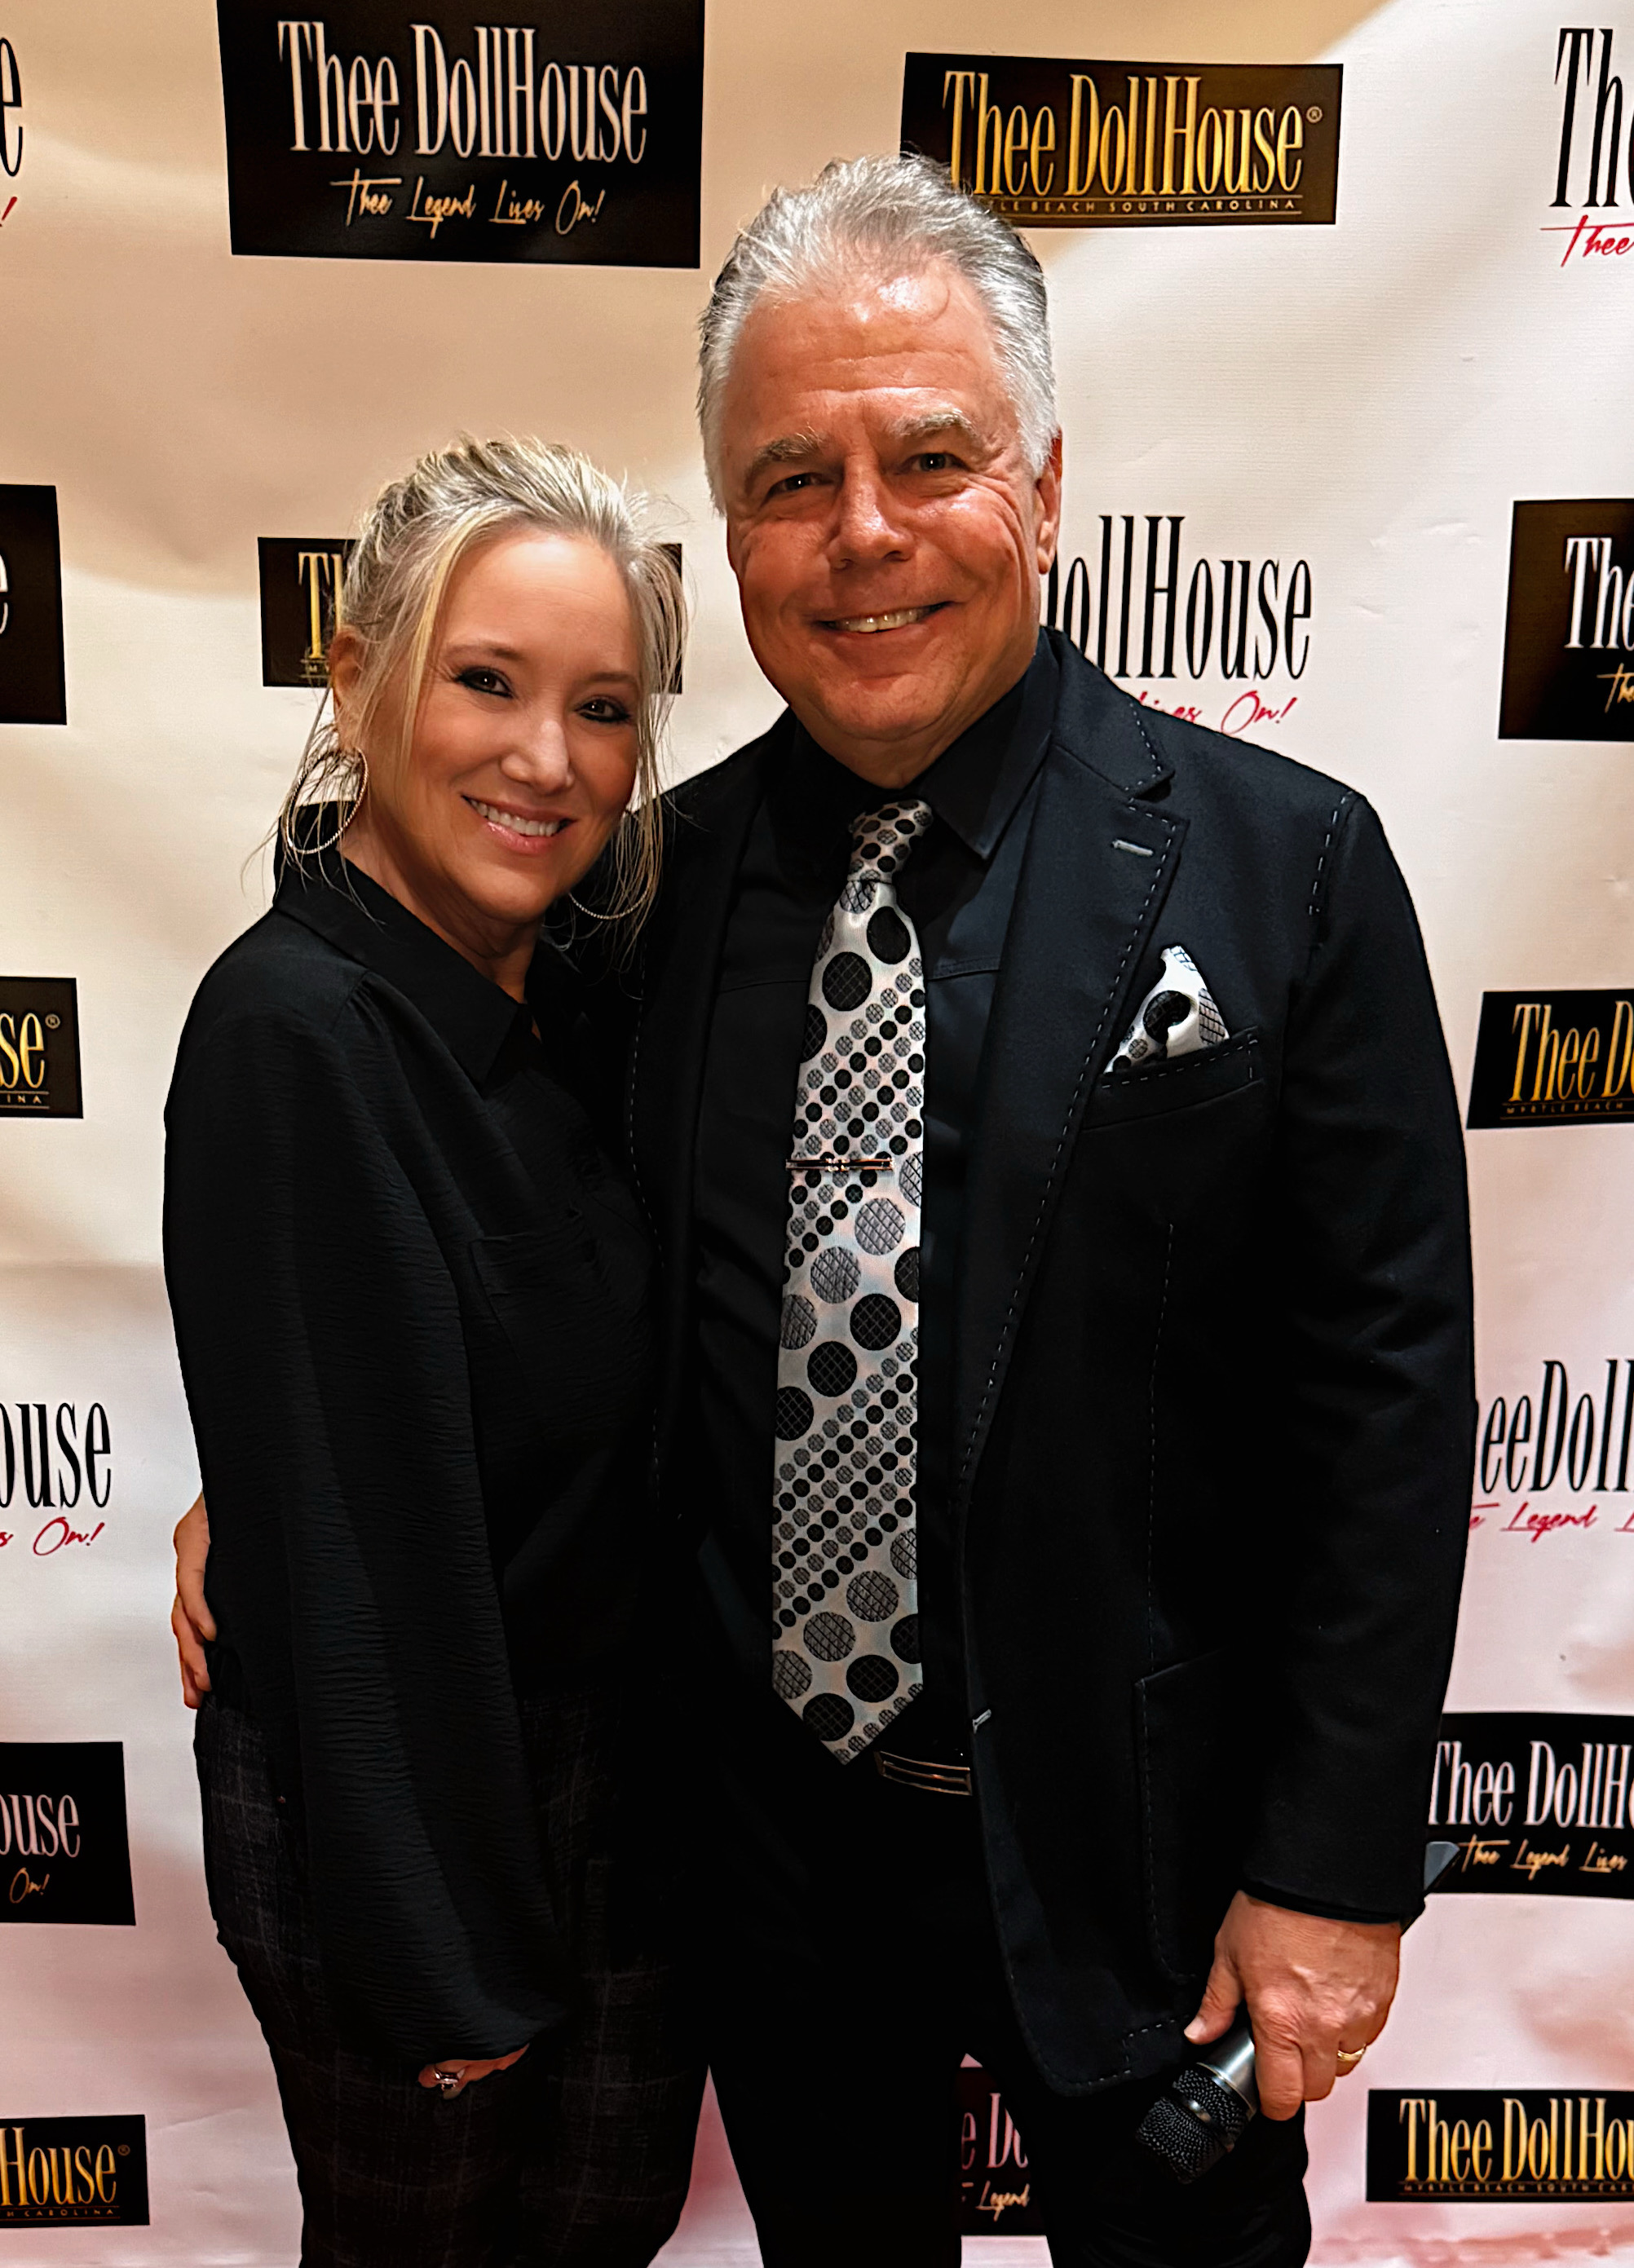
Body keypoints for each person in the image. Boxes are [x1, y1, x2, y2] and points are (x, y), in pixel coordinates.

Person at [179, 160, 1475, 2266]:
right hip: (765, 1866)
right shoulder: (642, 894)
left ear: (1043, 486)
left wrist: (1331, 1868)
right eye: (792, 479)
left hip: (1148, 1860)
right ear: (732, 532)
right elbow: (484, 1244)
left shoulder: (1286, 867)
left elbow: (1386, 1406)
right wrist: (263, 1459)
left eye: (927, 458)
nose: (862, 532)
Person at [163, 437, 702, 2268]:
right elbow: (356, 1557)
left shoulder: (578, 985)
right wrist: (433, 1965)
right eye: (488, 680)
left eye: (605, 706)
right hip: (410, 1802)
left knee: (603, 2230)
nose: (548, 758)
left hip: (617, 1776)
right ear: (356, 676)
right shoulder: (294, 1030)